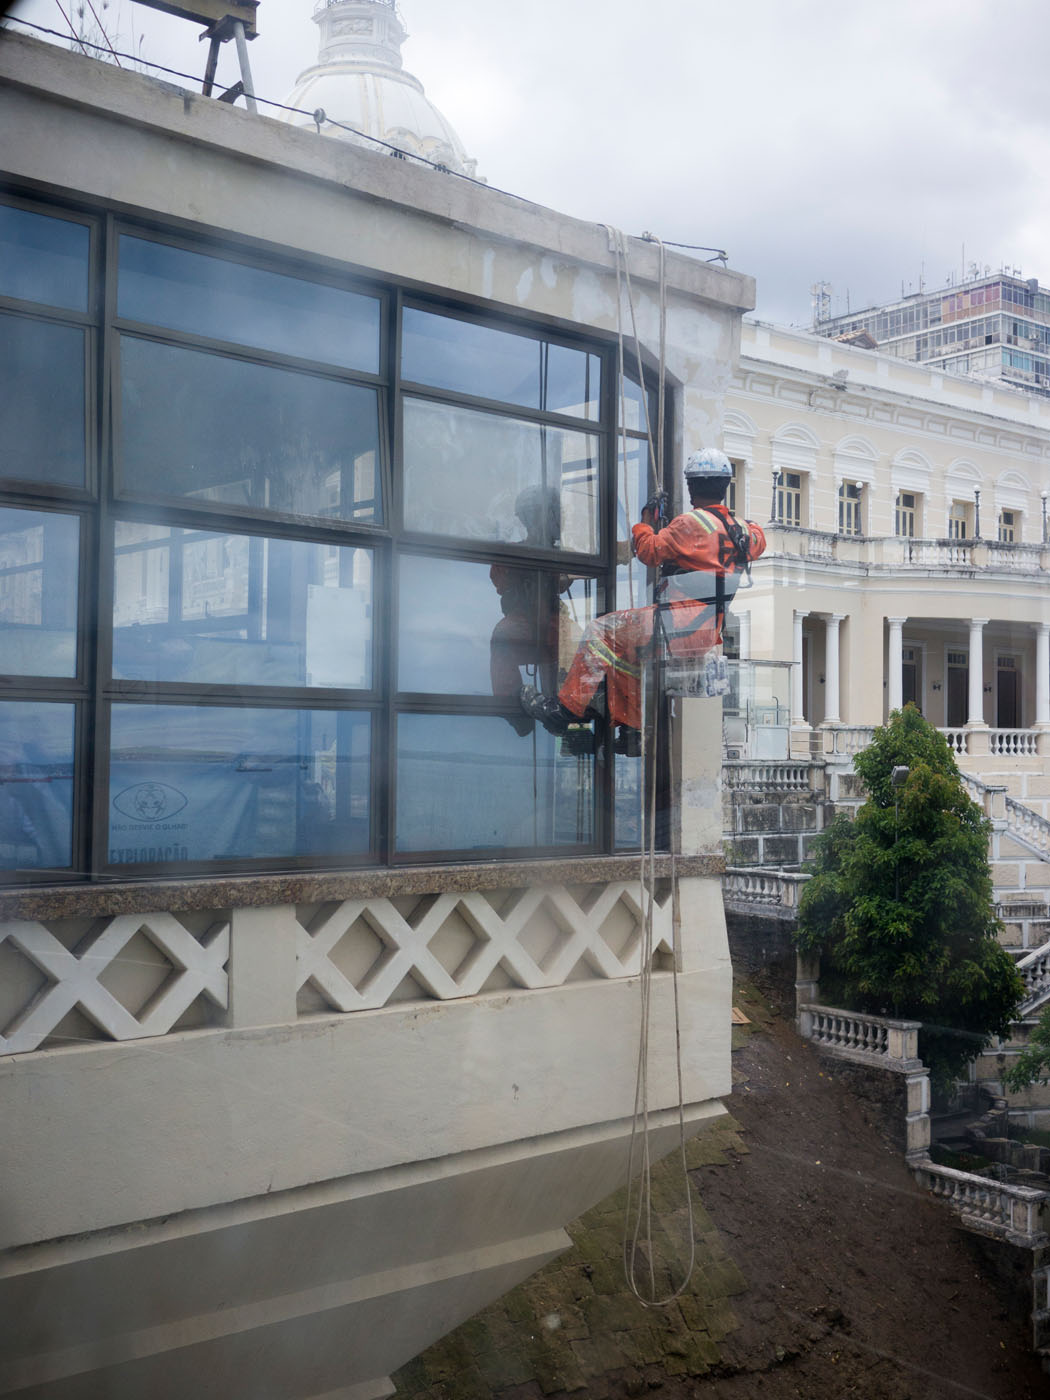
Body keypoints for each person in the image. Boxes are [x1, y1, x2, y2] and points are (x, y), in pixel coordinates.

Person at [520, 448, 766, 746]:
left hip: (676, 624)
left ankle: (565, 710)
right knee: (627, 653)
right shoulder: (746, 533)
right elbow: (758, 537)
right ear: (726, 485)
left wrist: (644, 523)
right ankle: (631, 731)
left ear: (691, 487)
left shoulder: (690, 524)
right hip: (706, 632)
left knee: (600, 631)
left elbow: (648, 551)